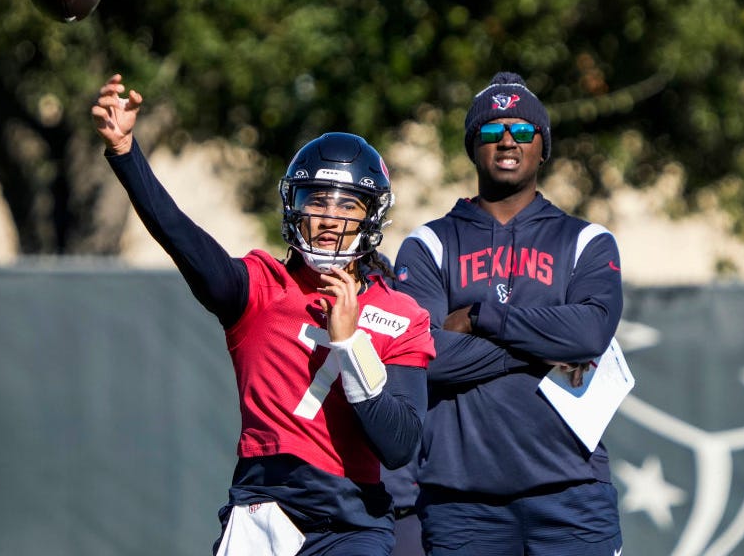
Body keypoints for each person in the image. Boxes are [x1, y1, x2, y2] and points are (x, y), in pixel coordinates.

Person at [92, 74, 435, 556]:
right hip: (263, 505)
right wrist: (126, 154)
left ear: (372, 216)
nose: (331, 218)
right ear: (294, 207)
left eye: (348, 205)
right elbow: (181, 237)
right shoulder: (259, 286)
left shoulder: (402, 314)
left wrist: (351, 345)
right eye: (317, 200)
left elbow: (399, 446)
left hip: (352, 520)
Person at [393, 71, 624, 555]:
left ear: (543, 147)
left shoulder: (585, 241)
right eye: (491, 130)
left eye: (522, 130)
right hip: (461, 501)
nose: (506, 140)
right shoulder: (429, 244)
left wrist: (481, 317)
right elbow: (423, 358)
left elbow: (589, 333)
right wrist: (544, 347)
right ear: (472, 146)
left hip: (571, 493)